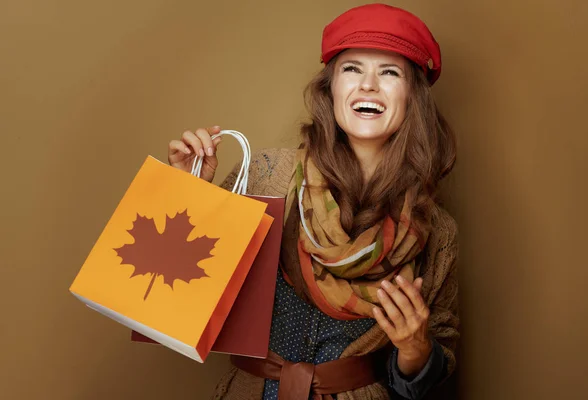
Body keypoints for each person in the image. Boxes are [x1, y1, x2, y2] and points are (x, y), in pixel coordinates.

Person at [167, 4, 459, 399]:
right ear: (331, 86)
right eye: (352, 68)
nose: (368, 85)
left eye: (389, 72)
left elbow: (438, 363)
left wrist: (415, 349)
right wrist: (188, 194)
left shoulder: (436, 230)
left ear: (412, 96)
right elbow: (180, 295)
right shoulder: (265, 174)